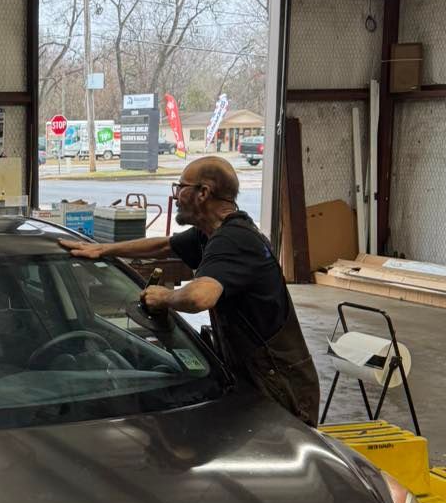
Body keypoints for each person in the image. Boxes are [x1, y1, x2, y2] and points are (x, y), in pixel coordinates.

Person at [61, 155, 320, 426]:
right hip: (256, 373)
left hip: (279, 383)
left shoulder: (234, 240)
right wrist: (103, 249)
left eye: (180, 187)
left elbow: (200, 296)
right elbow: (163, 246)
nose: (176, 195)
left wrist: (165, 297)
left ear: (203, 192)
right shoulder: (210, 234)